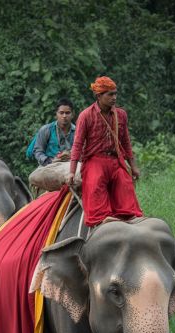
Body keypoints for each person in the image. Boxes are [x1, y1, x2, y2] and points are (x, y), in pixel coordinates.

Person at [65, 76, 142, 227]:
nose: (114, 97)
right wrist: (72, 172)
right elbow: (78, 144)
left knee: (125, 182)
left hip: (115, 160)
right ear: (99, 96)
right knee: (95, 182)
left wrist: (133, 166)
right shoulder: (86, 115)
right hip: (95, 160)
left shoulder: (121, 114)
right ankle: (102, 217)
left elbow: (126, 142)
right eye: (110, 94)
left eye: (115, 94)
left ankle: (126, 215)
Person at [30, 99, 75, 166]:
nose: (64, 116)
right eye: (61, 113)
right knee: (34, 176)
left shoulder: (78, 131)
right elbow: (38, 151)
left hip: (71, 165)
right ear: (56, 114)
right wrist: (50, 161)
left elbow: (83, 152)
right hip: (49, 165)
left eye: (67, 113)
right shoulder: (45, 130)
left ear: (72, 114)